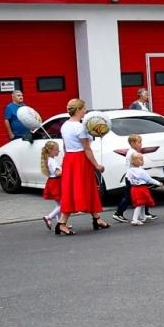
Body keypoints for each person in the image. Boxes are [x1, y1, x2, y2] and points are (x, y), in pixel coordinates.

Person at [55, 99, 107, 234]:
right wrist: (97, 165)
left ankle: (97, 218)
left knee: (75, 189)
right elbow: (87, 149)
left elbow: (66, 146)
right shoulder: (79, 127)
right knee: (81, 189)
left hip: (69, 159)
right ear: (78, 110)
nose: (85, 111)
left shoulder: (65, 125)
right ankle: (61, 222)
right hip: (80, 159)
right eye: (84, 109)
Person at [121, 153, 164, 225]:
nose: (142, 161)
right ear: (135, 161)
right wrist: (158, 183)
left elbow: (128, 179)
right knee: (139, 204)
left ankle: (143, 217)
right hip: (141, 189)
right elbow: (149, 179)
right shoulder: (141, 171)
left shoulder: (129, 170)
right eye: (141, 160)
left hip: (134, 188)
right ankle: (135, 219)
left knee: (142, 202)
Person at [40, 140, 63, 232]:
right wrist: (65, 170)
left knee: (58, 204)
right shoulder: (52, 161)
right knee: (63, 204)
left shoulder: (48, 160)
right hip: (56, 183)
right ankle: (49, 217)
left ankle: (60, 222)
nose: (58, 151)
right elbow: (57, 173)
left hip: (52, 183)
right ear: (50, 151)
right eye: (56, 150)